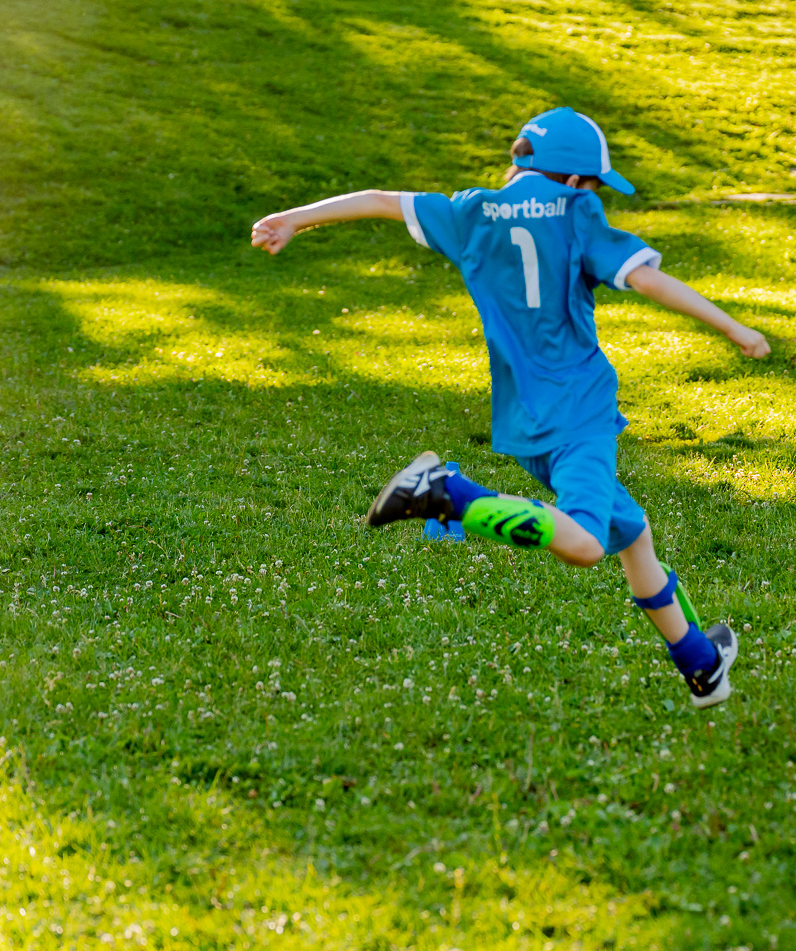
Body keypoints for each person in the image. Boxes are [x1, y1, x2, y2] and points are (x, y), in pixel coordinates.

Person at [250, 107, 767, 708]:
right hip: (580, 412)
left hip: (525, 422)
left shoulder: (471, 212)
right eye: (596, 184)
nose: (595, 194)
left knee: (634, 535)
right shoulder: (576, 211)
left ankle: (702, 666)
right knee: (585, 546)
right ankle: (448, 494)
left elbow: (381, 199)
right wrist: (731, 325)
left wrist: (294, 219)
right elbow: (647, 279)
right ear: (575, 182)